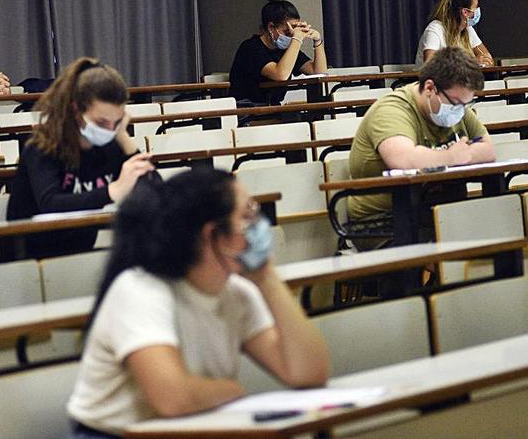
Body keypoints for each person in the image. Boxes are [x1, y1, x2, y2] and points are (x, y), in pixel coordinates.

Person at [66, 168, 330, 437]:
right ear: (211, 234)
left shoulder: (237, 292)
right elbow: (172, 397)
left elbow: (308, 373)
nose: (258, 225)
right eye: (247, 216)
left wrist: (266, 278)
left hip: (195, 428)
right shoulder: (140, 290)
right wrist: (233, 391)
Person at [5, 57, 154, 259]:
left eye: (117, 121)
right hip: (32, 257)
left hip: (82, 252)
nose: (109, 129)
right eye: (102, 122)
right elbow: (50, 203)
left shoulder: (111, 142)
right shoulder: (41, 146)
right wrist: (112, 191)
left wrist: (123, 137)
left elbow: (155, 192)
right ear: (76, 111)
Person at [349, 46, 495, 224]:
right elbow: (403, 161)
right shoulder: (392, 110)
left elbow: (488, 150)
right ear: (430, 88)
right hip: (384, 221)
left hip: (436, 212)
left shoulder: (457, 104)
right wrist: (451, 156)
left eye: (465, 104)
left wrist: (462, 155)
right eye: (456, 103)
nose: (460, 110)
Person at [228, 0, 327, 105]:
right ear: (271, 27)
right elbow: (281, 74)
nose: (291, 35)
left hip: (273, 110)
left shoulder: (285, 49)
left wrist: (317, 40)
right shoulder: (251, 48)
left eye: (294, 31)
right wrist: (297, 38)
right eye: (287, 32)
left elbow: (318, 72)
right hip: (247, 110)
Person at [415, 0, 494, 68]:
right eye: (476, 7)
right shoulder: (435, 28)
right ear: (465, 12)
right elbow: (430, 64)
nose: (478, 10)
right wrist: (471, 62)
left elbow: (487, 57)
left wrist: (485, 60)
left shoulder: (468, 29)